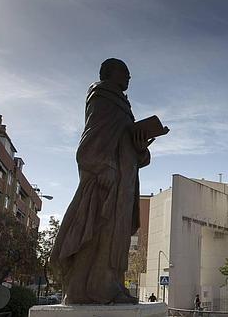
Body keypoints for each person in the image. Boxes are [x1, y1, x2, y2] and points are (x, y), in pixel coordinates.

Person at [51, 58, 153, 304]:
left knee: (115, 235)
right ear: (108, 73)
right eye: (124, 72)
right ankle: (88, 289)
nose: (129, 77)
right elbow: (92, 138)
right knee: (96, 231)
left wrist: (140, 148)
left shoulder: (123, 107)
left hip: (124, 182)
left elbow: (129, 149)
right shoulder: (103, 96)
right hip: (105, 179)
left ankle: (110, 284)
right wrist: (102, 167)